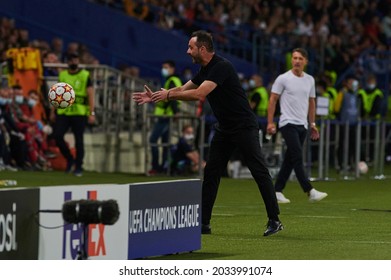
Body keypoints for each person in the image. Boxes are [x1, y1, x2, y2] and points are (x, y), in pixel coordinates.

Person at [133, 30, 282, 237]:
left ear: (202, 49)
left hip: (244, 126)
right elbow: (184, 88)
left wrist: (168, 96)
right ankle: (203, 223)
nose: (187, 51)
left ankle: (274, 220)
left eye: (190, 47)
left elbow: (198, 94)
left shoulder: (221, 67)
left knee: (259, 171)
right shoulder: (204, 70)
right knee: (211, 173)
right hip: (225, 128)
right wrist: (158, 96)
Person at [267, 48, 328, 204]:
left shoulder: (310, 80)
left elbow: (311, 102)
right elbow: (273, 100)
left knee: (290, 159)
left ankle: (277, 190)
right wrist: (270, 122)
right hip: (287, 123)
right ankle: (310, 190)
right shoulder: (283, 78)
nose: (297, 61)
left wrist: (312, 123)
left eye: (300, 58)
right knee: (297, 156)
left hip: (303, 124)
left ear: (306, 61)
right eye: (294, 58)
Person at [50, 52, 95, 176]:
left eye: (75, 59)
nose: (73, 62)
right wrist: (53, 111)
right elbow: (56, 94)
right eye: (71, 60)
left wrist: (91, 112)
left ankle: (78, 166)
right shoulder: (63, 75)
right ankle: (70, 159)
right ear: (68, 62)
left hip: (79, 112)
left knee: (78, 140)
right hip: (64, 111)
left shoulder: (85, 75)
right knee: (57, 136)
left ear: (78, 61)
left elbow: (91, 94)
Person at [148, 60, 182, 175]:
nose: (164, 70)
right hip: (167, 115)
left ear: (172, 69)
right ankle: (165, 168)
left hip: (166, 116)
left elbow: (172, 98)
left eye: (166, 67)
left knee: (153, 140)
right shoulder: (174, 80)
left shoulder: (172, 81)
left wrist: (176, 112)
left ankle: (156, 167)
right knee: (165, 142)